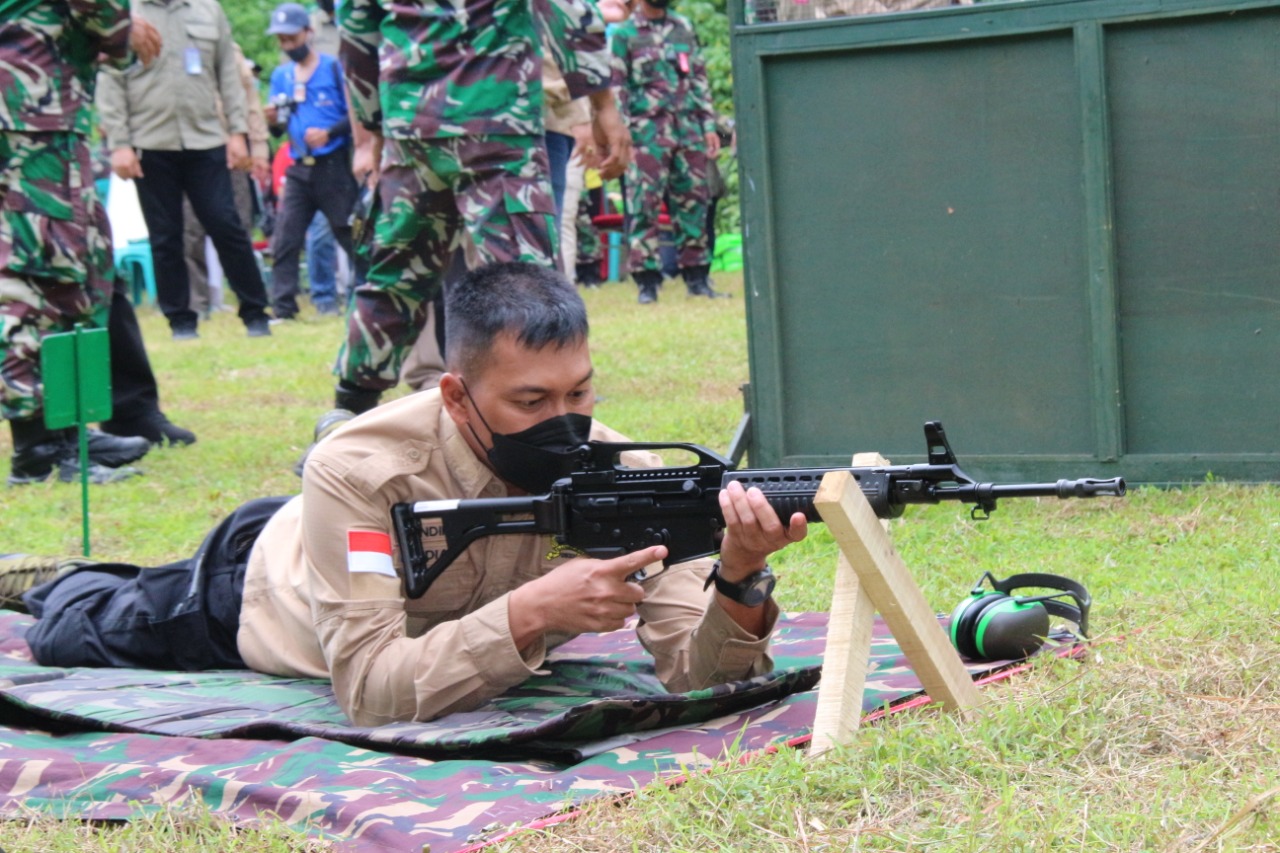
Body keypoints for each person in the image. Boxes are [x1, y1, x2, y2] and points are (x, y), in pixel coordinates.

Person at [19, 262, 807, 726]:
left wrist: (737, 575)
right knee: (75, 624)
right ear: (457, 397)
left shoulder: (621, 470)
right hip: (256, 590)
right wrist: (535, 610)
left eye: (579, 394)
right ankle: (38, 575)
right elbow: (366, 689)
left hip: (346, 571)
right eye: (530, 404)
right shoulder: (360, 467)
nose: (565, 425)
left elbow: (703, 683)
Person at [330, 0, 633, 416]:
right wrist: (603, 106)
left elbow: (356, 27)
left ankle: (348, 411)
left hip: (413, 124)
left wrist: (375, 125)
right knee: (528, 284)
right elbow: (567, 10)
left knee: (395, 275)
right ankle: (546, 421)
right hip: (498, 122)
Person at [0, 3, 172, 484]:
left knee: (71, 267)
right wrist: (122, 30)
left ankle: (62, 430)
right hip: (30, 113)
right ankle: (37, 450)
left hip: (37, 106)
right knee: (35, 273)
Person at [97, 0, 273, 340]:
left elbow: (229, 73)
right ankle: (180, 321)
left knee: (227, 224)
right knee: (165, 236)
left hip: (206, 137)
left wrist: (238, 132)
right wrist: (119, 142)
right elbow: (111, 78)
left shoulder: (208, 9)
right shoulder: (126, 12)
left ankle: (256, 313)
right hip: (150, 141)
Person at [612, 0, 724, 303]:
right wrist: (621, 134)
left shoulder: (682, 27)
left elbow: (698, 78)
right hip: (646, 135)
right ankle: (647, 284)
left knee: (693, 204)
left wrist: (708, 125)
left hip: (687, 131)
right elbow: (617, 87)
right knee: (643, 207)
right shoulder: (625, 34)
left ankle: (698, 279)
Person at [263, 3, 357, 321]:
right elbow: (279, 126)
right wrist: (272, 121)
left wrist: (329, 132)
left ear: (308, 33)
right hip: (297, 166)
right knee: (286, 238)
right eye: (282, 40)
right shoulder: (281, 76)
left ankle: (366, 297)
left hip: (332, 166)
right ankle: (283, 308)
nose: (288, 46)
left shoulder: (333, 68)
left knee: (348, 233)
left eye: (292, 38)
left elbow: (355, 113)